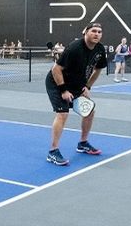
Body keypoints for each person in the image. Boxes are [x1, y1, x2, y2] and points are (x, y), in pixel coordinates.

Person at [46, 23, 108, 166]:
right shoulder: (74, 48)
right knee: (63, 113)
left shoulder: (99, 49)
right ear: (85, 32)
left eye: (99, 31)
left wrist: (87, 86)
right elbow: (56, 69)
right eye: (93, 31)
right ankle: (53, 152)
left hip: (77, 85)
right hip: (56, 83)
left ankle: (83, 143)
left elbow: (98, 69)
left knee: (89, 112)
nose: (97, 34)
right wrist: (63, 90)